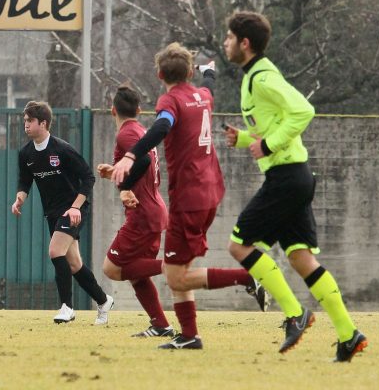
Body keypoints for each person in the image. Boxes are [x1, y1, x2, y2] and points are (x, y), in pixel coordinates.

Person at [222, 11, 367, 362]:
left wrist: (269, 145)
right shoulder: (253, 77)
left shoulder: (263, 77)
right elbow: (272, 123)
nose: (224, 43)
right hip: (294, 176)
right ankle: (349, 335)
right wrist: (244, 139)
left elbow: (303, 111)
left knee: (238, 246)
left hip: (287, 178)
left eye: (229, 37)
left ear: (245, 43)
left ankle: (294, 314)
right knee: (302, 258)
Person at [111, 43, 268, 350]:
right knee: (178, 271)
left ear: (159, 74)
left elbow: (163, 126)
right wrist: (208, 70)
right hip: (210, 190)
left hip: (188, 196)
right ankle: (189, 335)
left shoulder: (170, 101)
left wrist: (131, 155)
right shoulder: (202, 95)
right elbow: (209, 80)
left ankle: (246, 277)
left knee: (176, 277)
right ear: (188, 72)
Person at [12, 101, 114, 325]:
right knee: (74, 264)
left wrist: (76, 206)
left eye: (30, 121)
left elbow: (88, 177)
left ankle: (66, 308)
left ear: (44, 123)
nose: (26, 125)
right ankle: (103, 299)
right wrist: (20, 197)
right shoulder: (26, 153)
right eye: (25, 121)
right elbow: (25, 179)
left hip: (73, 209)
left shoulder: (62, 149)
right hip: (53, 212)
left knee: (55, 251)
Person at [97, 84, 173, 337]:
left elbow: (143, 161)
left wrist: (124, 187)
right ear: (139, 110)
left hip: (143, 215)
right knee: (138, 275)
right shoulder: (141, 130)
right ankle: (161, 325)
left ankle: (174, 265)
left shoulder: (126, 134)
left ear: (112, 111)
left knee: (112, 268)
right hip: (152, 211)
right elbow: (141, 167)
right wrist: (115, 175)